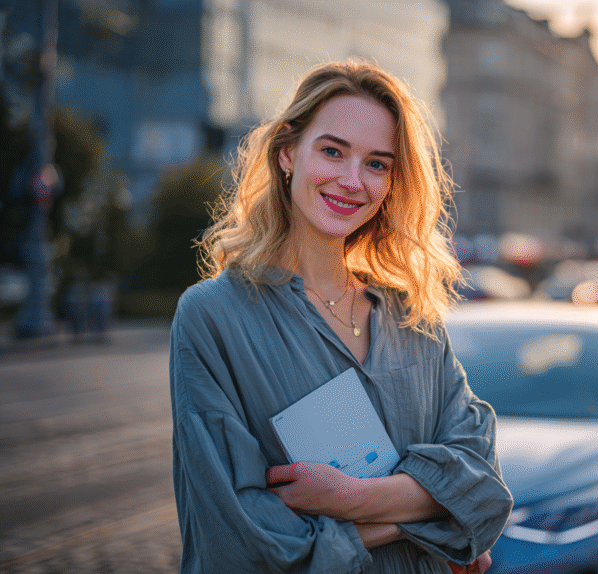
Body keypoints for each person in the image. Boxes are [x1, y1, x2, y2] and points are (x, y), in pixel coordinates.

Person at [169, 60, 513, 573]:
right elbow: (239, 540)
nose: (352, 181)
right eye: (332, 151)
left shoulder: (411, 314)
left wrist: (349, 498)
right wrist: (433, 514)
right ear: (288, 153)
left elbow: (484, 487)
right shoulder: (213, 317)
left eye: (378, 163)